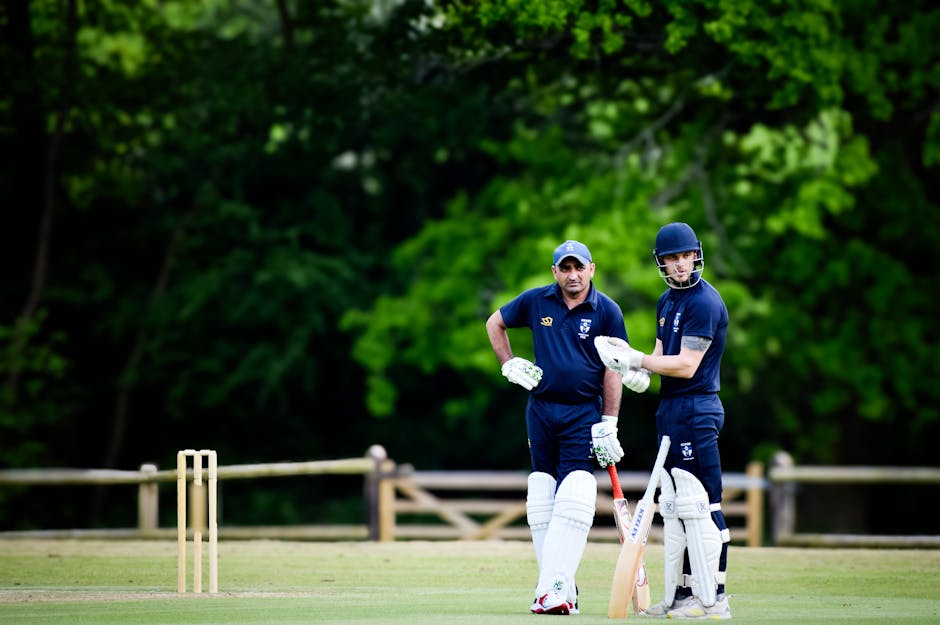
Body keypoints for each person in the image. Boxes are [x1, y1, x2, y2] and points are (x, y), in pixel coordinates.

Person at [485, 239, 643, 615]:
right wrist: (507, 362)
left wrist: (609, 421)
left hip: (582, 413)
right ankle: (558, 586)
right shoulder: (537, 300)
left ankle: (553, 587)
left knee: (574, 493)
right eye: (565, 268)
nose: (572, 275)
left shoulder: (607, 310)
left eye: (579, 268)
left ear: (592, 269)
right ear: (555, 271)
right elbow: (495, 322)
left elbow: (615, 368)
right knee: (541, 493)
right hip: (540, 409)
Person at [594, 222, 731, 619]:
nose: (678, 265)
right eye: (670, 259)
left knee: (701, 505)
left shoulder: (704, 303)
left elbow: (687, 366)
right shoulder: (666, 301)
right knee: (673, 506)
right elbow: (660, 355)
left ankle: (714, 600)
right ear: (662, 263)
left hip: (698, 408)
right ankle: (681, 598)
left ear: (695, 255)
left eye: (684, 256)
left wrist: (638, 360)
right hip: (670, 409)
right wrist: (632, 362)